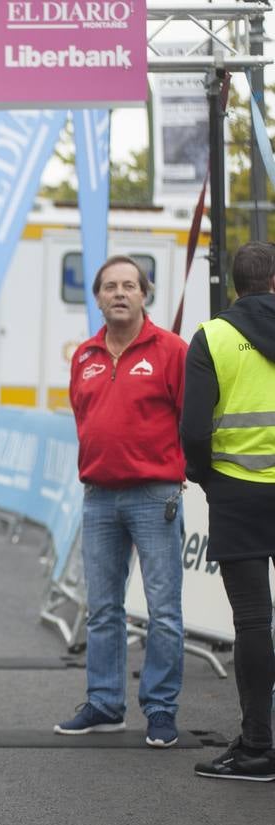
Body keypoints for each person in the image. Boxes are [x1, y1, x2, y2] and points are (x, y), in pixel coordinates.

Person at [56, 255, 188, 748]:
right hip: (99, 498)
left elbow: (189, 418)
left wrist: (178, 473)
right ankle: (106, 704)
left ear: (144, 294)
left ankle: (159, 710)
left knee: (164, 610)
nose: (119, 293)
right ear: (97, 297)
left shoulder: (172, 350)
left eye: (129, 286)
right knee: (103, 609)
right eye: (110, 286)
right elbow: (83, 416)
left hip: (155, 497)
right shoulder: (85, 356)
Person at [181, 241, 275, 781]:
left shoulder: (213, 337)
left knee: (254, 623)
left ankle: (258, 747)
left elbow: (194, 428)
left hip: (238, 495)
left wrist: (205, 476)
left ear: (235, 284)